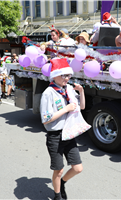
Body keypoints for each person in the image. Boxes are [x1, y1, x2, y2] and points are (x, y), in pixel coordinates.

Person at [40, 58, 85, 200]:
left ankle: (63, 183)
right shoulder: (49, 93)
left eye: (68, 75)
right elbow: (45, 119)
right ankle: (57, 196)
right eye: (63, 75)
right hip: (55, 136)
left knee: (78, 168)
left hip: (69, 133)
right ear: (55, 75)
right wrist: (66, 109)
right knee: (58, 170)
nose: (67, 78)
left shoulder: (69, 90)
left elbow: (82, 107)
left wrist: (82, 91)